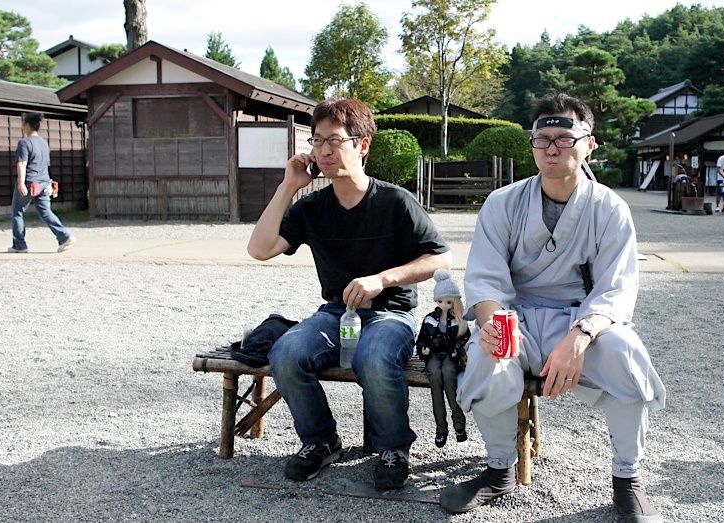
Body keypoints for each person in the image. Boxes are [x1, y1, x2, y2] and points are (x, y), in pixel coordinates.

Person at [439, 93, 666, 523]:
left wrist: (580, 337)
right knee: (488, 355)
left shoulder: (610, 209)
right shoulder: (503, 203)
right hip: (517, 317)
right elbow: (485, 278)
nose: (552, 148)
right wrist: (492, 324)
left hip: (583, 318)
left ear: (589, 144)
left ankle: (627, 479)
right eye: (542, 139)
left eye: (564, 138)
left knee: (626, 354)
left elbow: (617, 288)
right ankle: (499, 469)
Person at [246, 98, 452, 490]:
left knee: (373, 357)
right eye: (317, 140)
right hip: (336, 313)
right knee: (286, 353)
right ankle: (321, 441)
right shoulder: (312, 207)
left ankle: (393, 448)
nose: (324, 150)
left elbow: (441, 258)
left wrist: (383, 279)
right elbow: (260, 249)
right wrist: (288, 185)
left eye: (335, 140)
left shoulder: (395, 201)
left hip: (391, 314)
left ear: (362, 145)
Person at [415, 268, 470, 448]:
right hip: (433, 356)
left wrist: (456, 349)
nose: (444, 305)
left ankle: (459, 426)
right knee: (435, 382)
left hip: (450, 357)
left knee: (449, 378)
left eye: (448, 302)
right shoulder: (430, 319)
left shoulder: (458, 320)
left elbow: (465, 339)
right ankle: (441, 429)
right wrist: (423, 348)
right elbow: (421, 338)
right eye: (440, 301)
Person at [8, 112, 75, 253]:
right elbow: (45, 164)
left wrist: (20, 183)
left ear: (27, 125)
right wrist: (49, 182)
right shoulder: (44, 143)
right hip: (43, 182)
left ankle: (19, 245)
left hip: (29, 182)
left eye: (23, 123)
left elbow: (22, 163)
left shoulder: (24, 143)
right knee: (46, 212)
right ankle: (64, 236)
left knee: (17, 213)